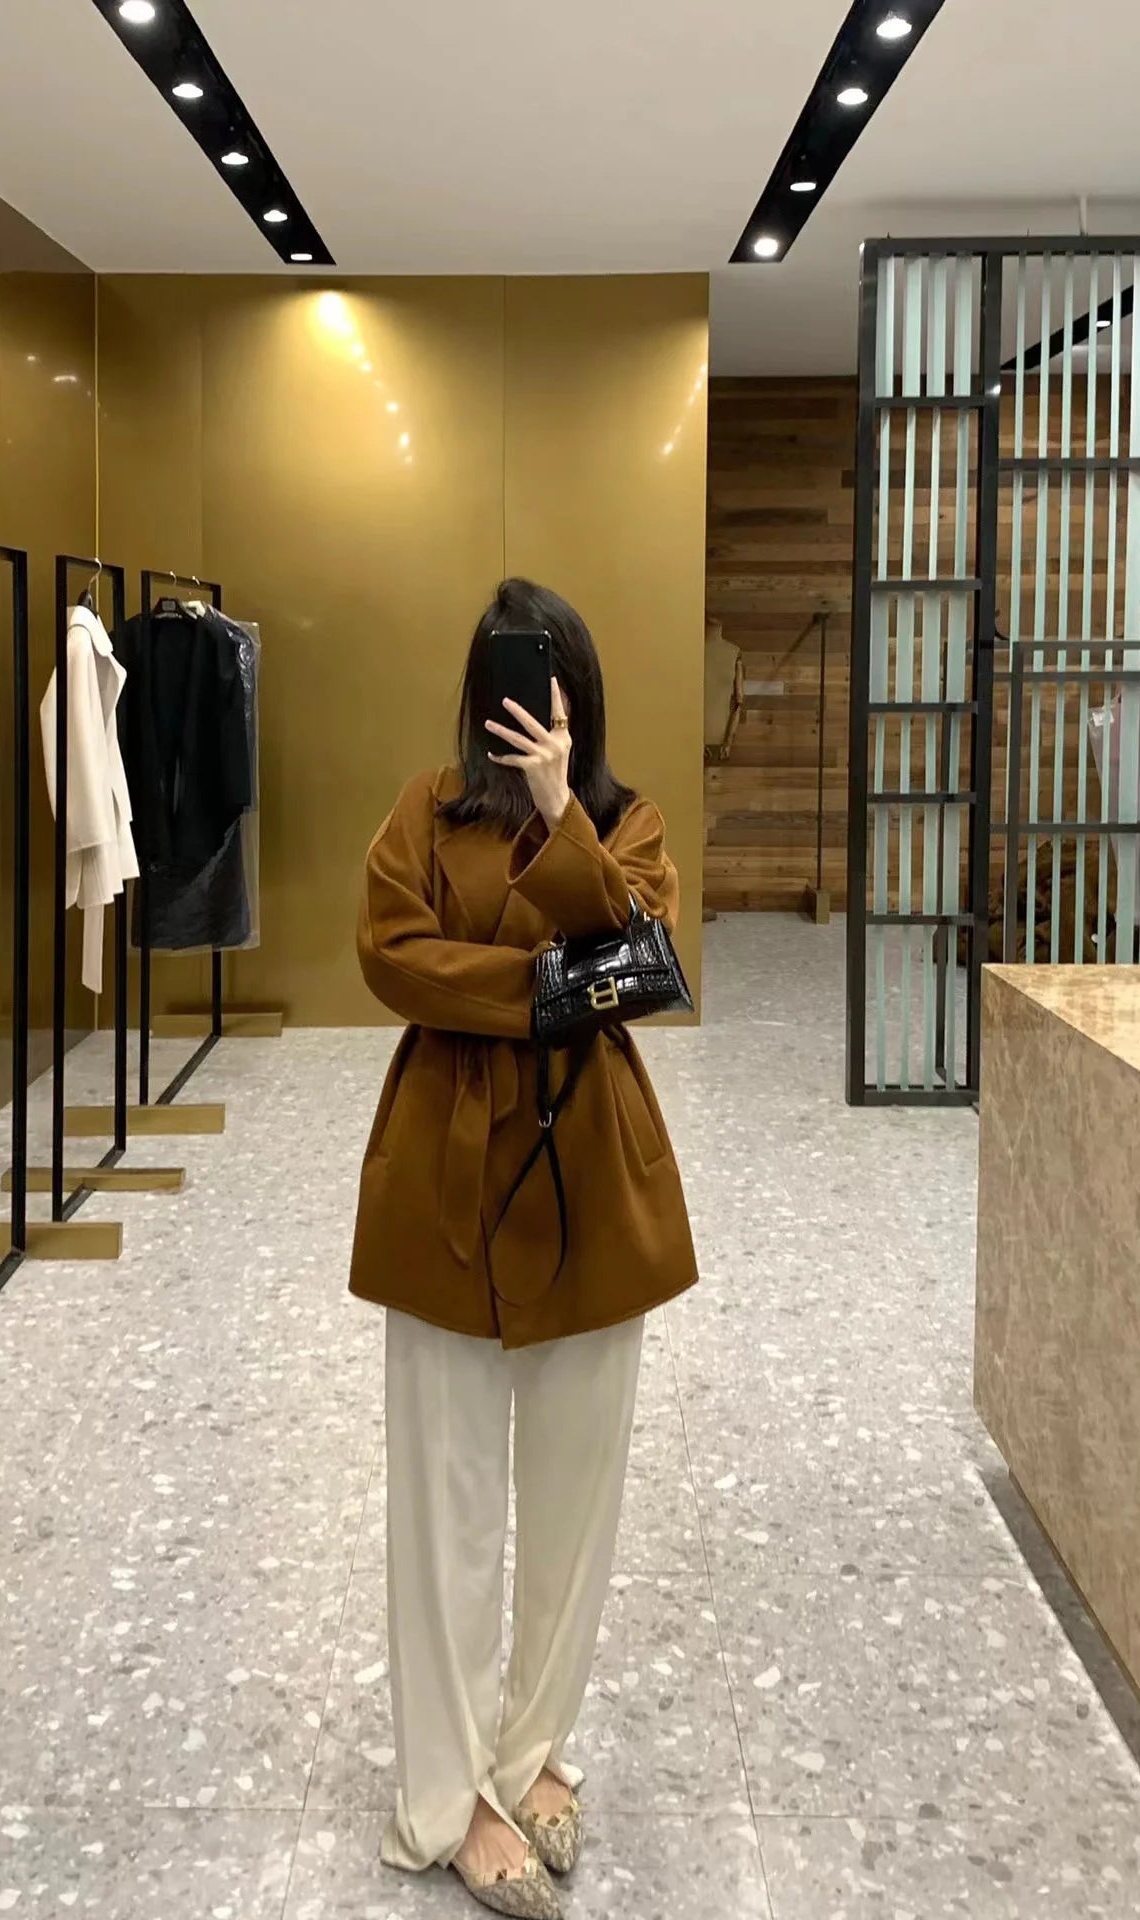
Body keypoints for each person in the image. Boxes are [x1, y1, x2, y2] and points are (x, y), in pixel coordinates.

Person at [349, 578, 698, 1917]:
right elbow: (391, 955)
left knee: (573, 1505)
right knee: (440, 1510)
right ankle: (448, 1801)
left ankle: (532, 1750)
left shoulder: (625, 822)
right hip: (444, 1175)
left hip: (591, 1178)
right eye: (508, 674)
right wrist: (554, 990)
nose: (528, 701)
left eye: (551, 678)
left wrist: (561, 816)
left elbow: (646, 964)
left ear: (580, 695)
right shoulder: (421, 810)